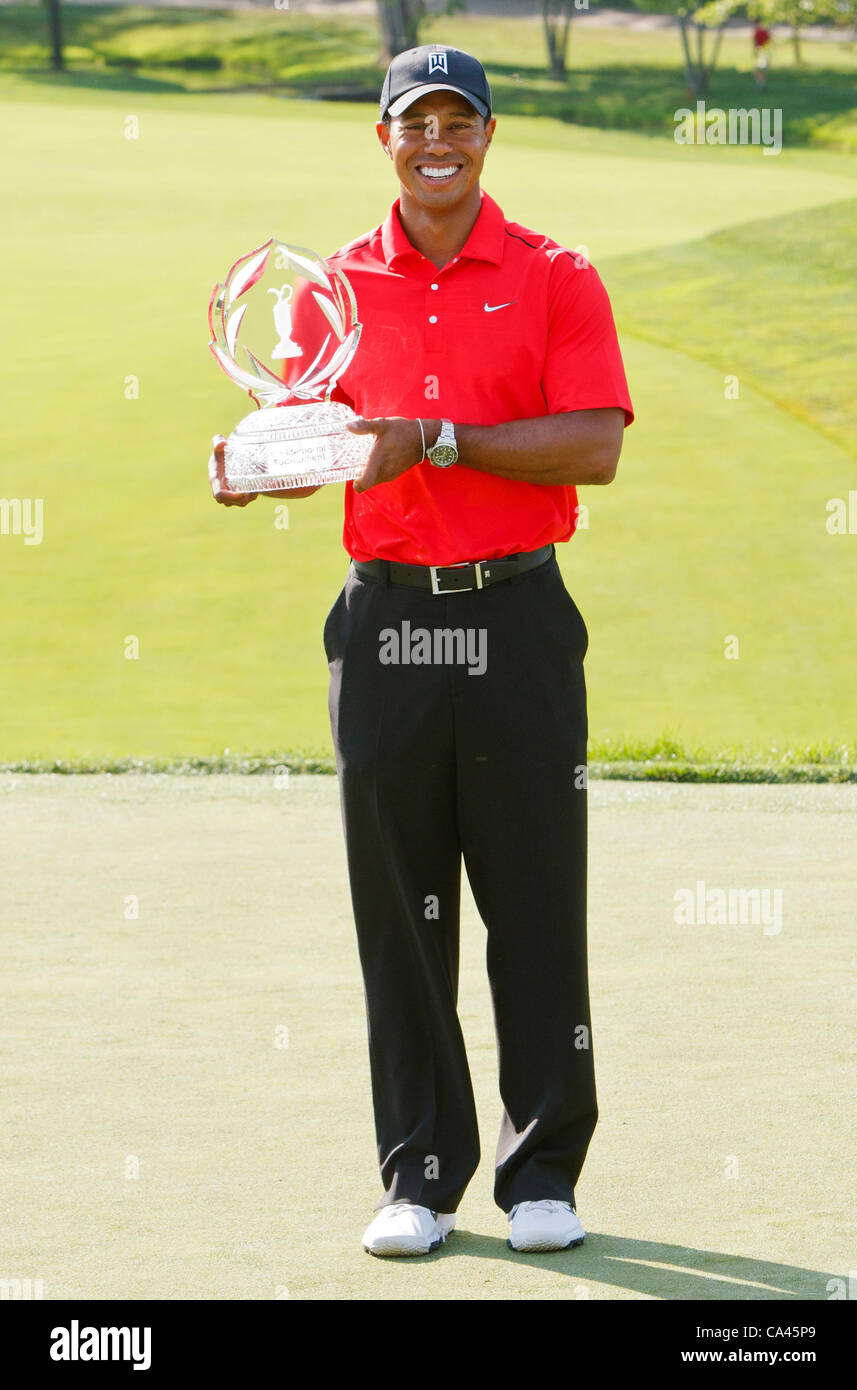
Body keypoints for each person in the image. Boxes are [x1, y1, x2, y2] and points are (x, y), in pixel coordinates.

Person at [210, 43, 633, 1258]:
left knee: (534, 899)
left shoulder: (554, 274)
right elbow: (317, 441)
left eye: (457, 121)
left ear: (487, 135)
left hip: (516, 615)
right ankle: (420, 1176)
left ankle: (541, 1173)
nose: (435, 142)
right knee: (399, 909)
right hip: (388, 621)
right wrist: (255, 467)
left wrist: (439, 436)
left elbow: (593, 444)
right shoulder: (332, 289)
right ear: (384, 139)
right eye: (415, 123)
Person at [753, 23, 771, 87]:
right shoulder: (764, 31)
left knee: (760, 67)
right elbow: (768, 39)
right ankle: (761, 81)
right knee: (762, 67)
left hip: (760, 50)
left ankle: (760, 81)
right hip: (764, 50)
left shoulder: (758, 31)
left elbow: (755, 42)